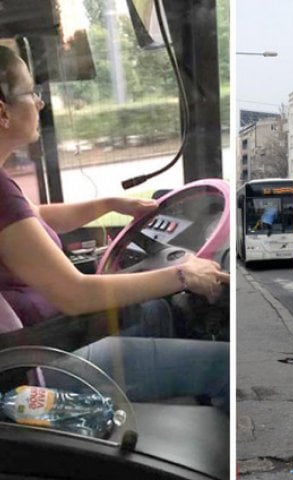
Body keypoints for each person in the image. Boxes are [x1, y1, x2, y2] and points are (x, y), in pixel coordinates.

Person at [0, 45, 229, 411]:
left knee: (156, 310)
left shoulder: (5, 191)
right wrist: (182, 274)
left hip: (43, 339)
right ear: (2, 112)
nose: (40, 103)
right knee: (226, 366)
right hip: (36, 368)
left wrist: (107, 204)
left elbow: (31, 217)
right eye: (31, 92)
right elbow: (74, 294)